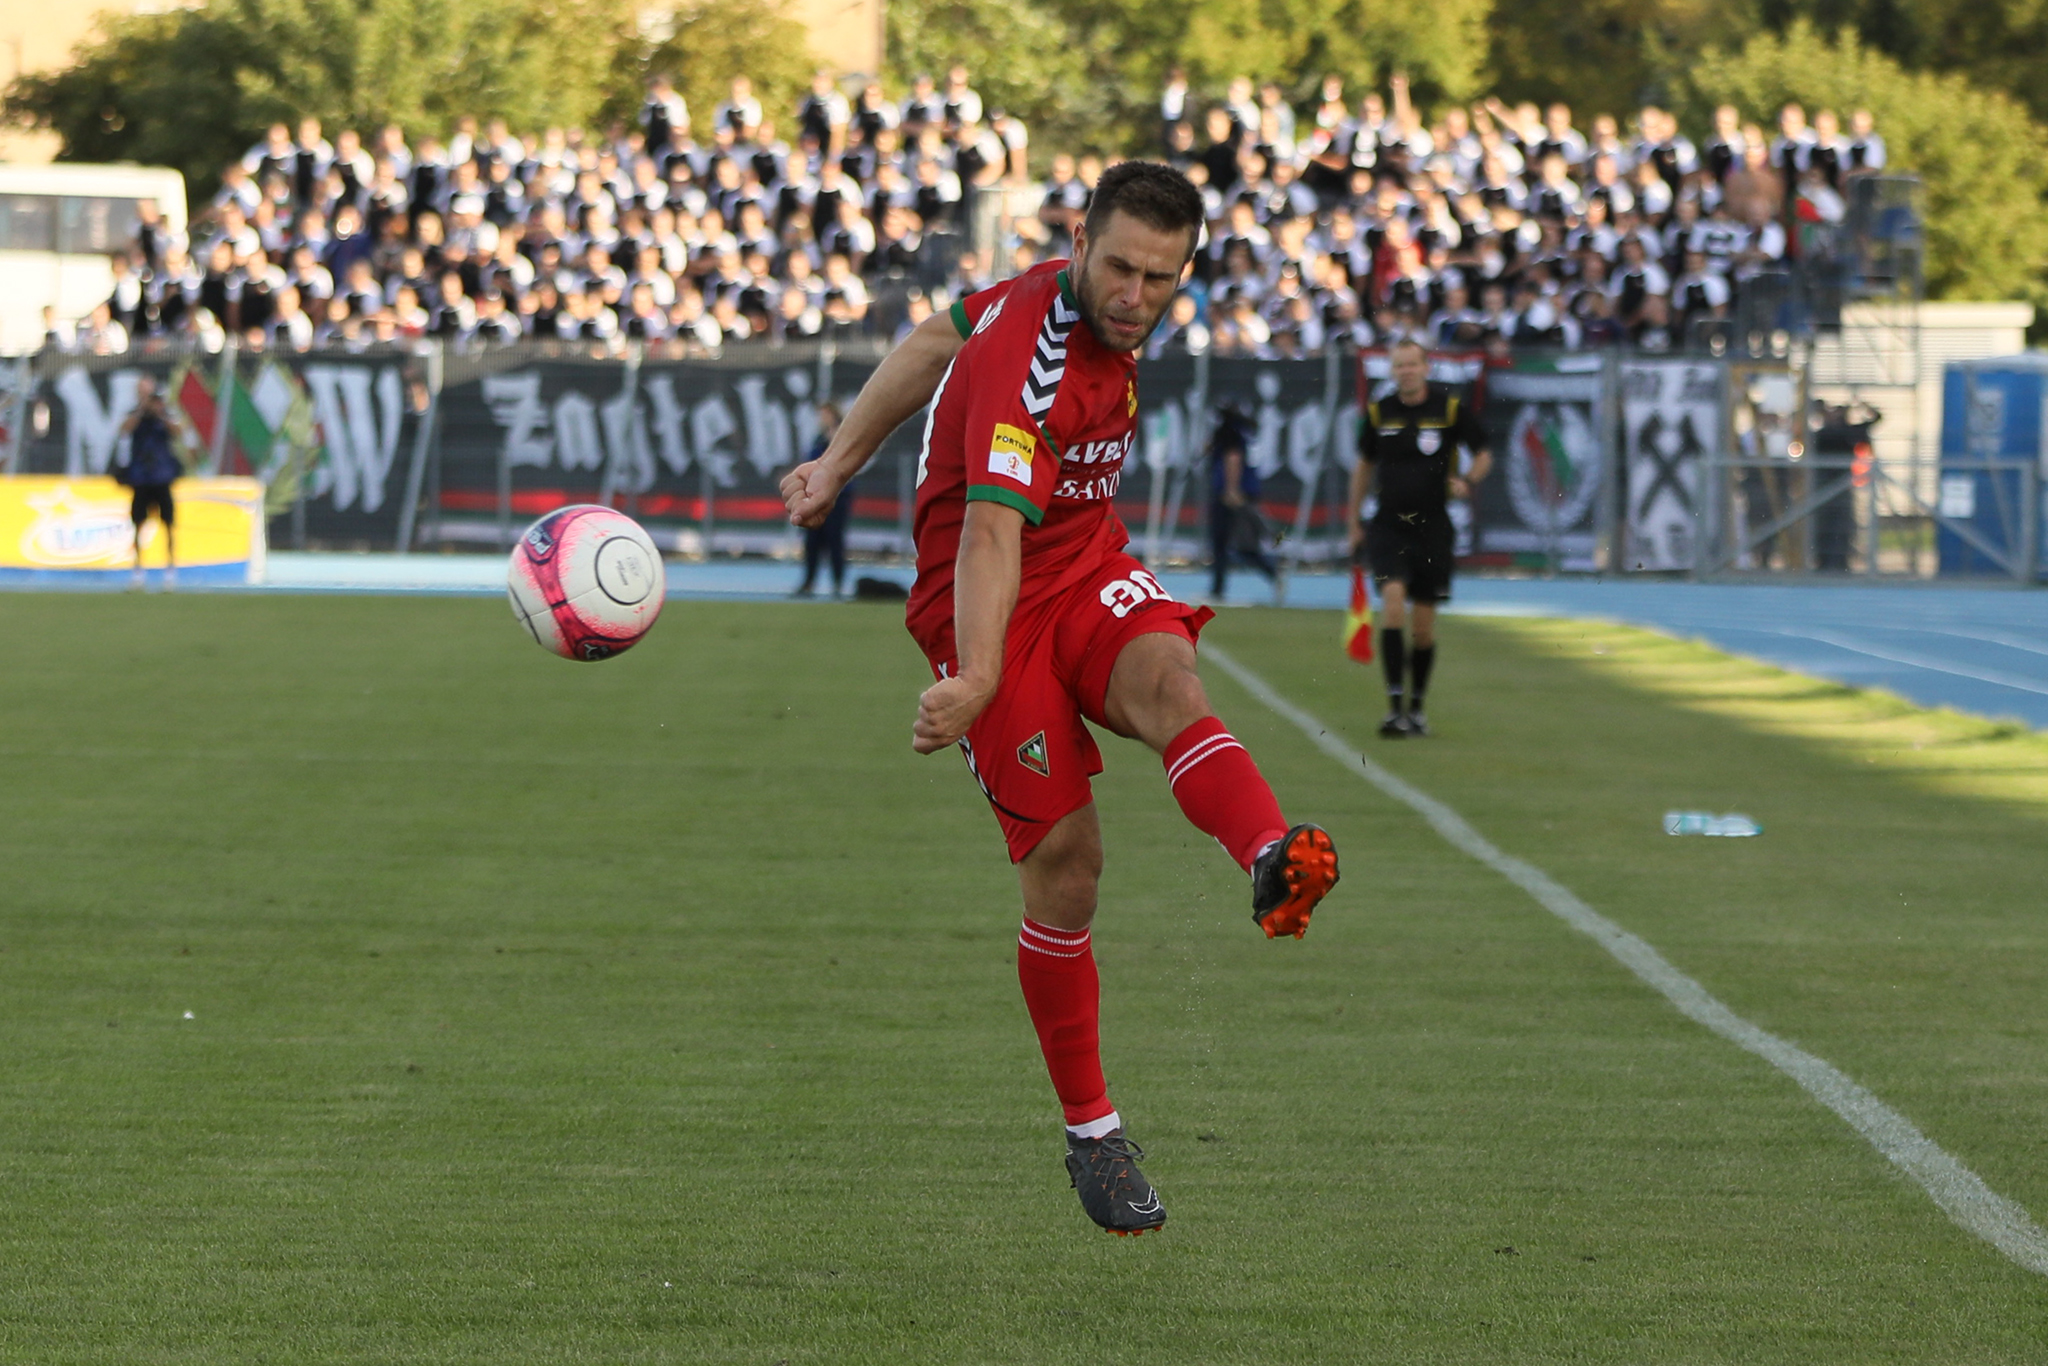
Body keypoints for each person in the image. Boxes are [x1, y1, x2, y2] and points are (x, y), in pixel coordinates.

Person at [780, 162, 1340, 1237]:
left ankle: (1272, 858)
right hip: (984, 604)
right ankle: (1093, 1134)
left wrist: (838, 461)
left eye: (1160, 279)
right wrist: (980, 675)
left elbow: (928, 340)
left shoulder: (1055, 295)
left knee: (1172, 680)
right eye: (1120, 268)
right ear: (1079, 243)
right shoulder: (1030, 361)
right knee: (1068, 868)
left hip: (1082, 562)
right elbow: (990, 530)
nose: (1135, 296)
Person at [1345, 338, 1491, 737]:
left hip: (1433, 528)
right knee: (1393, 606)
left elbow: (1483, 452)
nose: (1406, 371)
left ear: (1426, 367)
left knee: (1423, 628)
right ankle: (1394, 708)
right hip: (1389, 525)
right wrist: (1354, 521)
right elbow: (1363, 466)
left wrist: (1468, 480)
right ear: (1392, 371)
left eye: (1412, 364)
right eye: (1399, 366)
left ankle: (1417, 708)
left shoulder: (1449, 409)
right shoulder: (1380, 412)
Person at [1205, 405, 1278, 601]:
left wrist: (1231, 489)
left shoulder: (1230, 432)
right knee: (1237, 544)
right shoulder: (1242, 431)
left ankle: (1219, 589)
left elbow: (1233, 458)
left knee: (1226, 542)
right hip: (1243, 492)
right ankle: (1270, 572)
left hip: (1231, 495)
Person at [117, 376, 183, 588]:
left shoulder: (164, 413)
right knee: (138, 524)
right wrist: (141, 410)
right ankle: (138, 570)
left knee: (168, 524)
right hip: (141, 477)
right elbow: (124, 430)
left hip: (161, 477)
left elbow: (178, 431)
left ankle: (170, 569)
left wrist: (159, 413)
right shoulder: (134, 413)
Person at [792, 402, 850, 597]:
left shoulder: (842, 435)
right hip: (815, 494)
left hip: (837, 495)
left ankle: (838, 583)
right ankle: (809, 582)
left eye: (824, 414)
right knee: (812, 541)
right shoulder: (818, 438)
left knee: (834, 539)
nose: (821, 419)